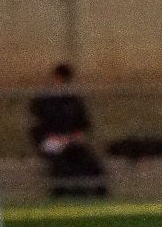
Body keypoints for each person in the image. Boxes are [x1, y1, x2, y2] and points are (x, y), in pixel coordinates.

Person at [28, 63, 107, 199]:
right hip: (51, 140)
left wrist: (73, 136)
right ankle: (65, 191)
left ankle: (97, 190)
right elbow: (37, 125)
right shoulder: (42, 101)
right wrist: (52, 137)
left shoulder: (73, 100)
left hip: (71, 140)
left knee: (88, 160)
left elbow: (83, 124)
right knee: (60, 161)